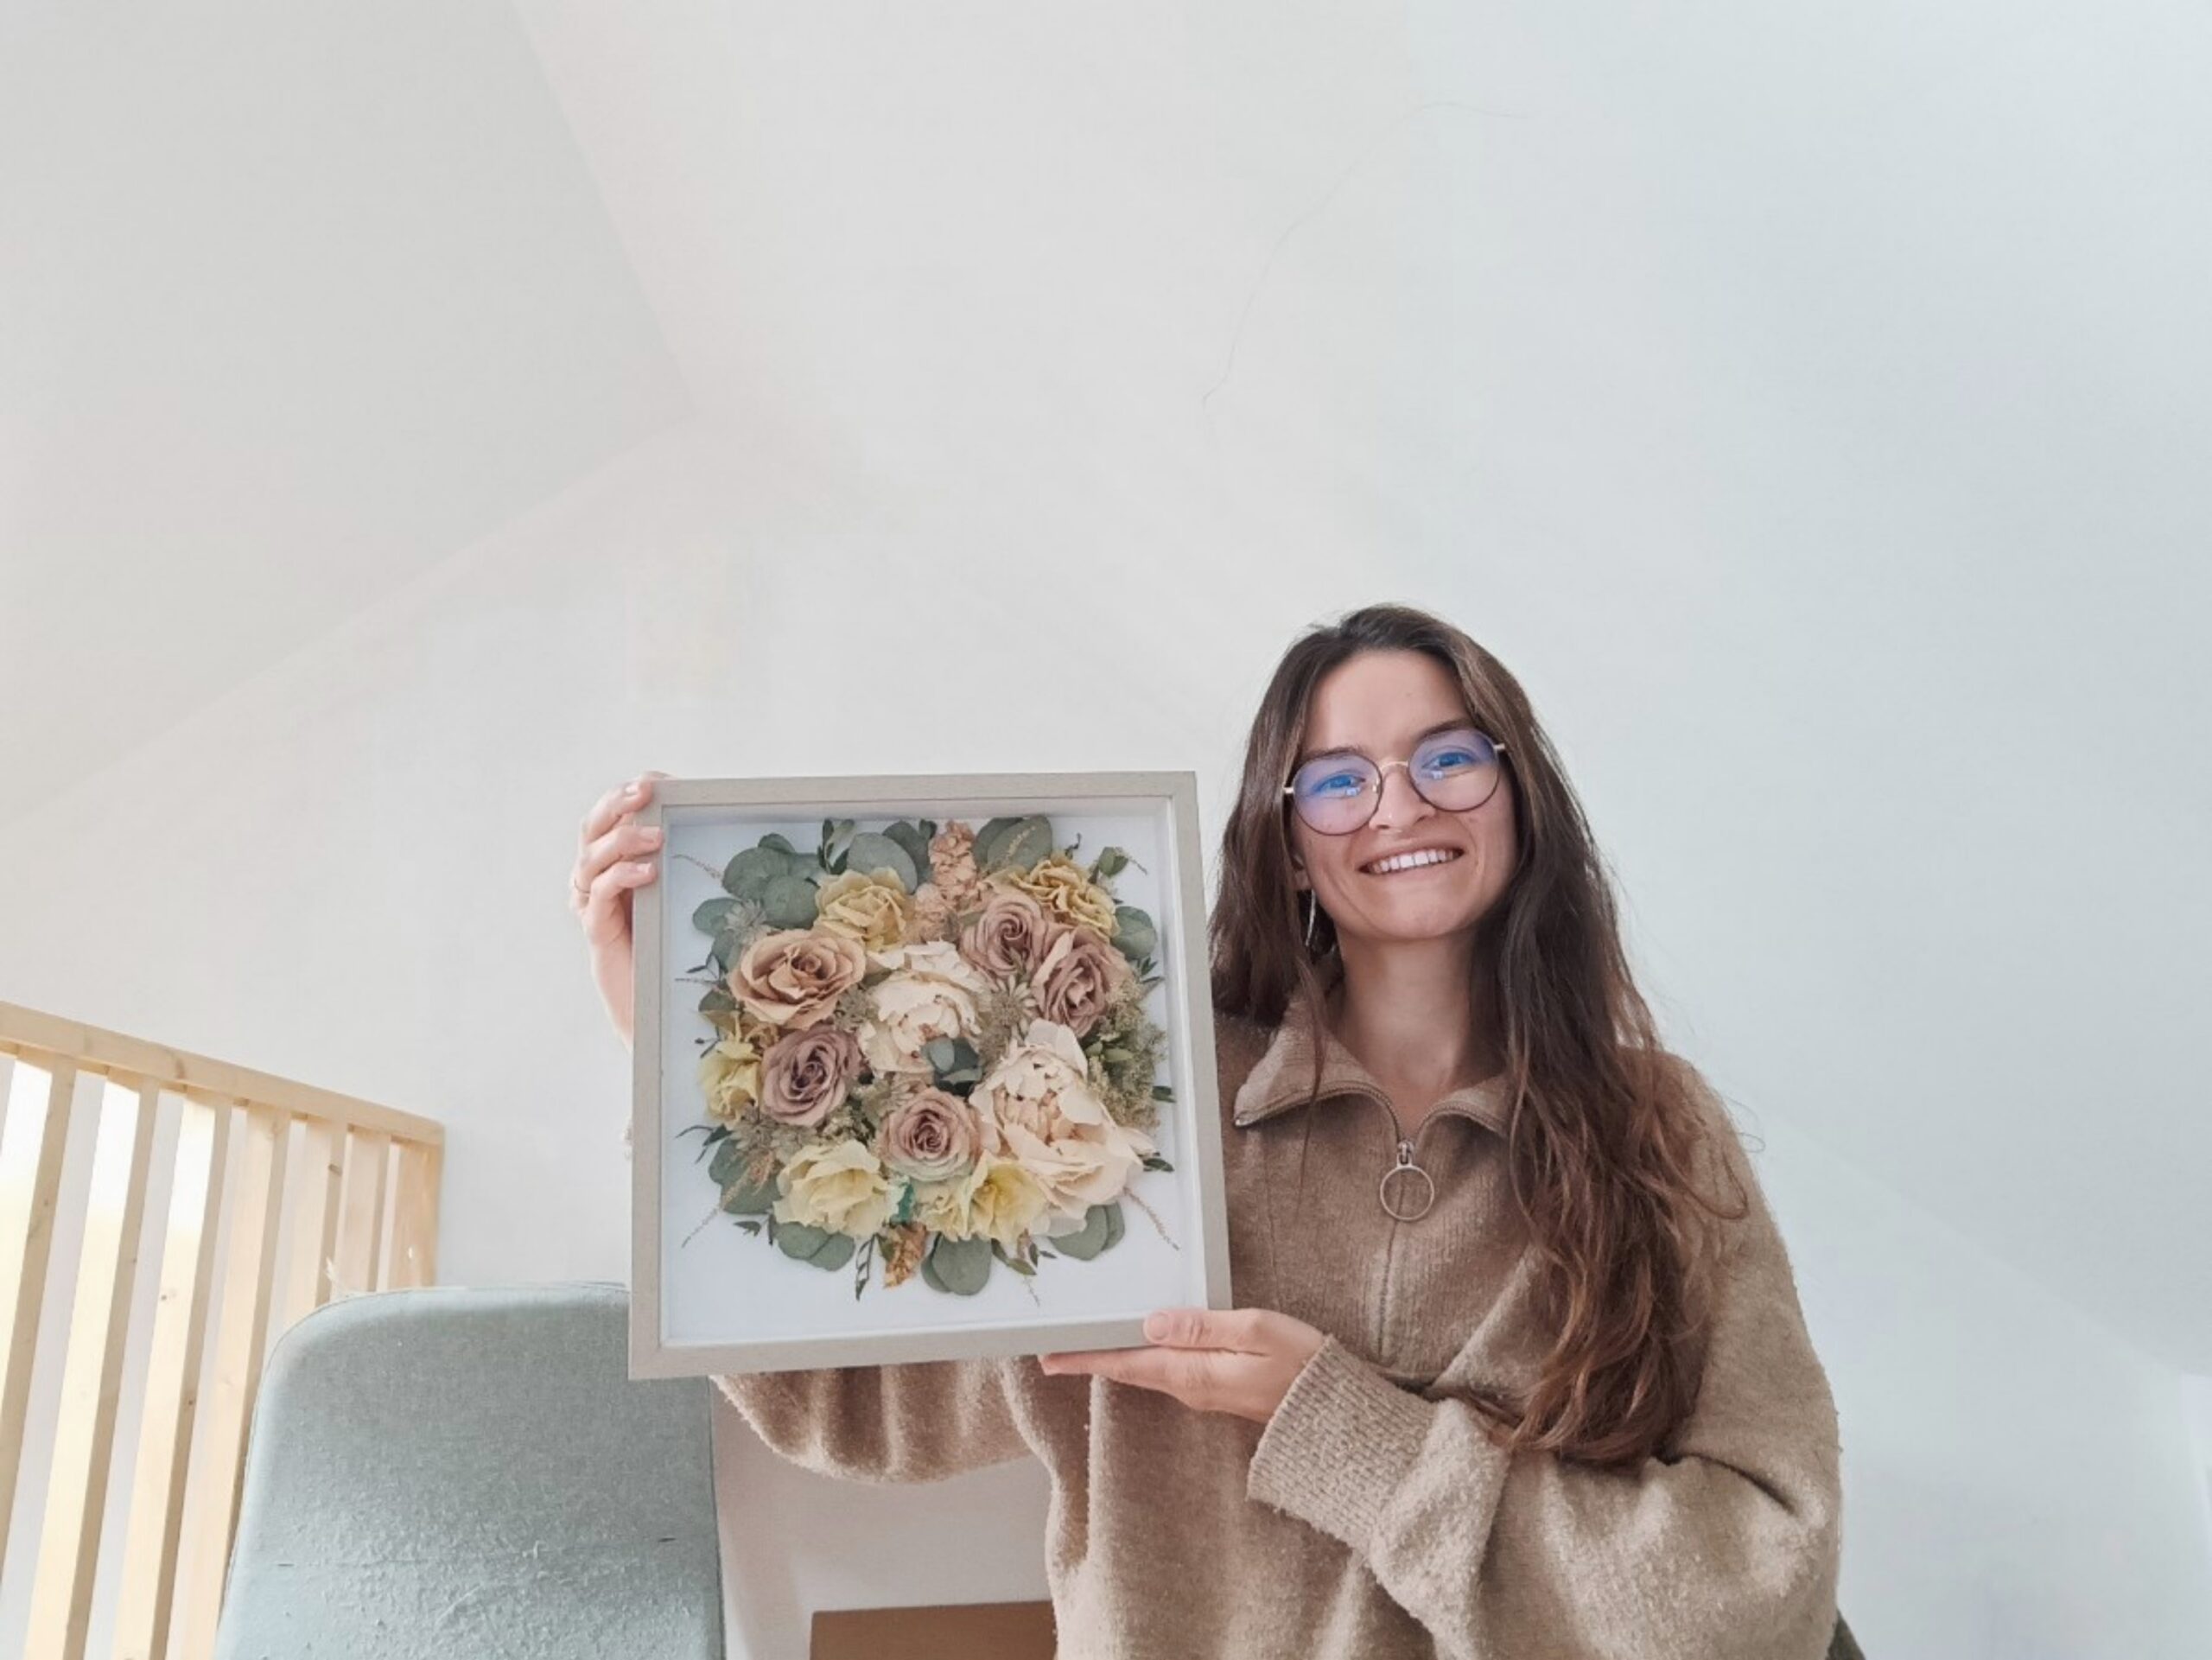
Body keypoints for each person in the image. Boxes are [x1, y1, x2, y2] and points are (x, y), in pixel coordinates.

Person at [569, 601, 1859, 1659]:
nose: (1399, 805)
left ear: (1519, 798)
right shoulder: (1134, 1100)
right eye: (1341, 780)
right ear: (1290, 842)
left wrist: (1345, 1428)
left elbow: (1761, 1590)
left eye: (1450, 756)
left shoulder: (1659, 1128)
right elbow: (853, 1405)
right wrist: (672, 1074)